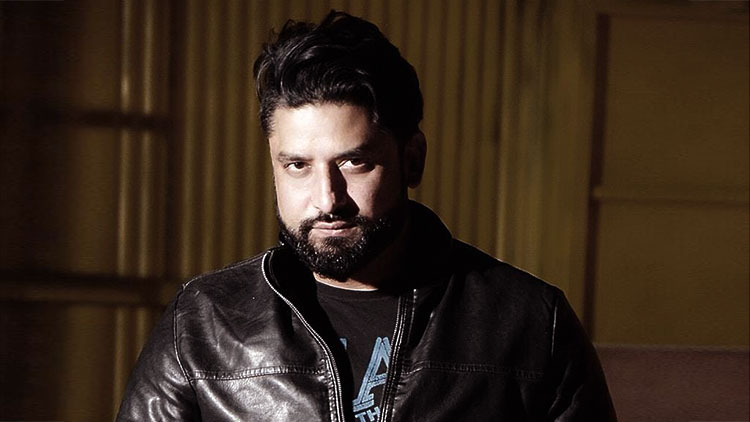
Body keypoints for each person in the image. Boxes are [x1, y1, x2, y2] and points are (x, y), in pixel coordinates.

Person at [117, 10, 616, 422]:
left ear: (412, 159)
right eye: (297, 166)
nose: (327, 199)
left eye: (354, 162)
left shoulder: (530, 323)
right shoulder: (204, 323)